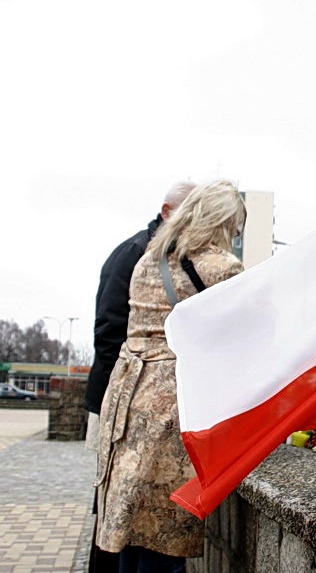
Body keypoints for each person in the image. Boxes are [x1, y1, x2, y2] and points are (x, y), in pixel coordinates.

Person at [94, 180, 246, 572]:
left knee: (129, 522)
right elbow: (242, 338)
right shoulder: (222, 267)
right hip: (170, 397)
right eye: (234, 227)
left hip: (127, 393)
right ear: (222, 222)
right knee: (164, 530)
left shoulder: (147, 258)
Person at [83, 180, 195, 573]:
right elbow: (110, 333)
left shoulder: (165, 254)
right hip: (122, 399)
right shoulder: (137, 254)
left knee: (124, 511)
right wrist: (129, 396)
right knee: (116, 509)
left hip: (132, 398)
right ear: (167, 211)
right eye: (189, 211)